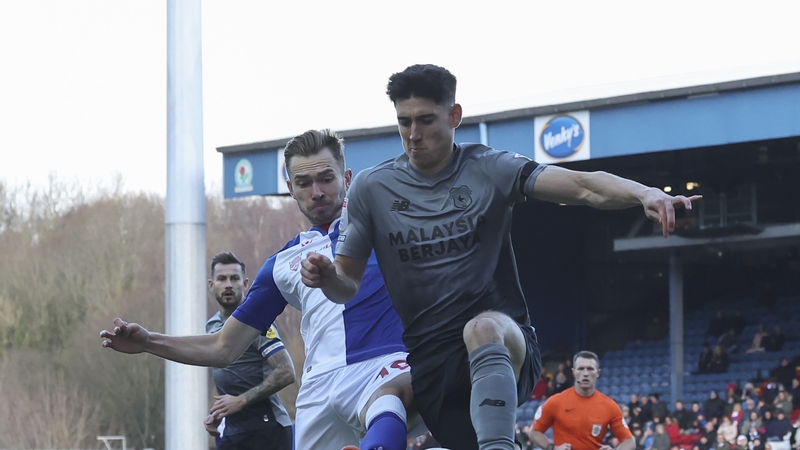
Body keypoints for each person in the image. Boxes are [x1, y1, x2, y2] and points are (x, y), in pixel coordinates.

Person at [300, 64, 700, 450]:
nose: (413, 135)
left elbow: (582, 187)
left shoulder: (490, 167)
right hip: (432, 363)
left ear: (454, 116)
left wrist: (645, 193)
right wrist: (328, 278)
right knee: (392, 398)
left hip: (506, 346)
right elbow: (346, 286)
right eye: (404, 122)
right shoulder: (372, 187)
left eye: (425, 120)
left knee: (483, 327)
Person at [101, 129, 421, 450]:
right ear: (290, 189)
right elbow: (223, 347)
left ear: (347, 178)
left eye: (326, 179)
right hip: (318, 389)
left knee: (390, 398)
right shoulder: (281, 264)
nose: (317, 192)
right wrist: (149, 341)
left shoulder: (389, 229)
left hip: (382, 366)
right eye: (304, 183)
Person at [202, 252, 295, 450]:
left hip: (268, 429)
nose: (228, 285)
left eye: (234, 279)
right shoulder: (212, 325)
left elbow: (286, 372)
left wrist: (241, 400)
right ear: (211, 285)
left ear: (245, 284)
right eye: (222, 279)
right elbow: (230, 378)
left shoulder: (257, 321)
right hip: (234, 431)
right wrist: (220, 412)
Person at [528, 351, 635, 450]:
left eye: (590, 369)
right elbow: (534, 432)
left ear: (598, 373)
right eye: (581, 369)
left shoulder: (609, 406)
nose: (585, 373)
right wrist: (552, 448)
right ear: (573, 372)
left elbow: (630, 441)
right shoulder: (555, 402)